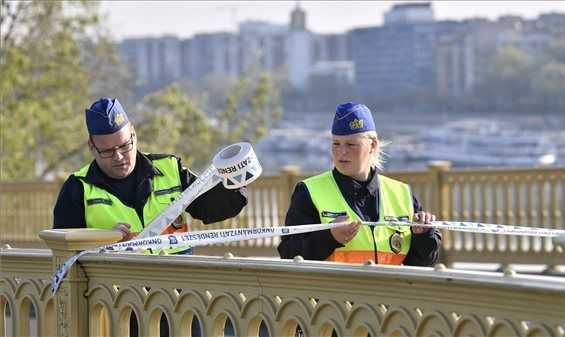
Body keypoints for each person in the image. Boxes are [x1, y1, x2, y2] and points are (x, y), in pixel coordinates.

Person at [53, 97, 247, 251]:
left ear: (134, 135)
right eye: (107, 151)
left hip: (178, 291)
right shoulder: (78, 187)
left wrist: (235, 181)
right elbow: (62, 248)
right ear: (92, 147)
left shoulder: (170, 168)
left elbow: (212, 208)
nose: (119, 157)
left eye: (124, 145)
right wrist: (103, 241)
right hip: (116, 295)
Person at [278, 102, 441, 266]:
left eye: (350, 144)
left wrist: (424, 236)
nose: (341, 152)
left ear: (373, 145)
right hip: (332, 292)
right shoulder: (308, 192)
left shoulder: (402, 194)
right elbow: (288, 254)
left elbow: (420, 264)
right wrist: (329, 237)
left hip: (389, 291)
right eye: (336, 144)